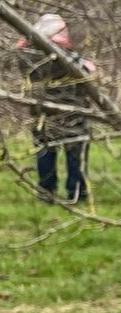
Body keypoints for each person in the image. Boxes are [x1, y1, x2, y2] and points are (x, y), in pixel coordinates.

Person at [14, 13, 97, 203]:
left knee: (45, 152)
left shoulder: (26, 56)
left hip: (41, 113)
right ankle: (77, 194)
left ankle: (46, 192)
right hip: (73, 112)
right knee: (75, 155)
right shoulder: (67, 57)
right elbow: (88, 74)